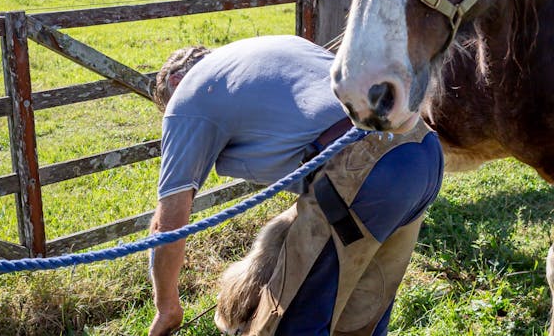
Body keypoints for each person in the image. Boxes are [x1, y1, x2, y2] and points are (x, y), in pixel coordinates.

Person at [147, 35, 444, 336]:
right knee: (358, 320)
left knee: (289, 325)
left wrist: (167, 307)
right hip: (420, 151)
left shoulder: (188, 95)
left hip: (361, 172)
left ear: (174, 80)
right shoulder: (268, 50)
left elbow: (168, 224)